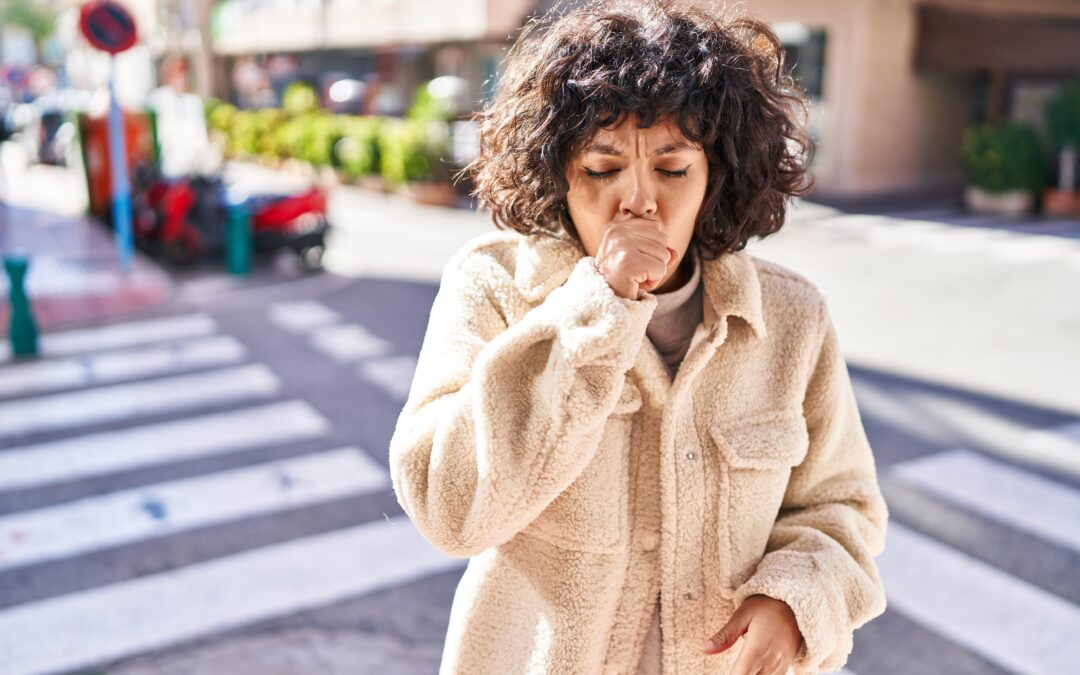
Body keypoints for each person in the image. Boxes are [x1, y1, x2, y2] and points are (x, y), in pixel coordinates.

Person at [387, 2, 889, 674]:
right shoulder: (492, 287)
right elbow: (448, 510)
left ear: (718, 176)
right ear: (556, 172)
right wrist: (599, 309)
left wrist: (795, 601)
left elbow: (843, 507)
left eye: (674, 168)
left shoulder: (792, 319)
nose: (638, 200)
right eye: (602, 168)